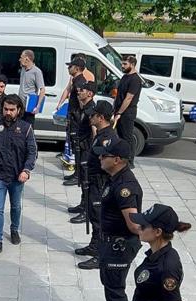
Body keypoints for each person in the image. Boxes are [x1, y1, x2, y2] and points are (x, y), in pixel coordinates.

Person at [91, 139, 143, 301]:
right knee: (108, 282)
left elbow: (133, 225)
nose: (101, 158)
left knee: (115, 289)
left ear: (118, 159)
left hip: (119, 246)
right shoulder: (115, 178)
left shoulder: (124, 187)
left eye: (105, 156)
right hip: (110, 243)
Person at [0, 94, 37, 256]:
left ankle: (14, 229)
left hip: (17, 176)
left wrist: (26, 170)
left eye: (12, 110)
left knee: (15, 206)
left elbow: (32, 151)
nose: (8, 112)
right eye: (6, 109)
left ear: (19, 110)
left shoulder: (26, 128)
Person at [74, 100, 120, 271]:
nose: (90, 117)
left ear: (101, 117)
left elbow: (110, 164)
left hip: (100, 183)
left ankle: (100, 254)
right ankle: (94, 245)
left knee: (100, 219)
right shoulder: (101, 134)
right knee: (94, 216)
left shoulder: (108, 138)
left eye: (93, 115)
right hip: (93, 182)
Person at [67, 80, 97, 226]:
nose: (79, 92)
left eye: (82, 90)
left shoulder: (91, 109)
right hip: (81, 149)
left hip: (88, 150)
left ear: (90, 94)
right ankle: (82, 204)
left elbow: (95, 131)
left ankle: (87, 211)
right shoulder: (84, 107)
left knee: (87, 181)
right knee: (83, 180)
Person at [59, 58, 89, 179]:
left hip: (76, 119)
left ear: (76, 68)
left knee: (77, 146)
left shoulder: (80, 82)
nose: (68, 68)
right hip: (73, 117)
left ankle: (79, 175)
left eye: (70, 66)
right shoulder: (75, 80)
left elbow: (82, 102)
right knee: (74, 146)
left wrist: (78, 117)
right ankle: (76, 173)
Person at [114, 56, 142, 166]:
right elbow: (119, 94)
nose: (122, 66)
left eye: (125, 64)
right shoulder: (125, 76)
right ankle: (122, 157)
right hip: (119, 111)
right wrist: (115, 109)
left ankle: (130, 161)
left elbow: (128, 98)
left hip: (127, 112)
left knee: (127, 137)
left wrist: (120, 113)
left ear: (132, 64)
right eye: (122, 63)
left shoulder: (135, 79)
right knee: (120, 136)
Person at [18, 49, 46, 125]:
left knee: (28, 130)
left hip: (29, 108)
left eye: (21, 57)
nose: (19, 60)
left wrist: (38, 106)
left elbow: (42, 90)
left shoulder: (37, 72)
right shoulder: (23, 69)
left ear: (26, 58)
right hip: (20, 107)